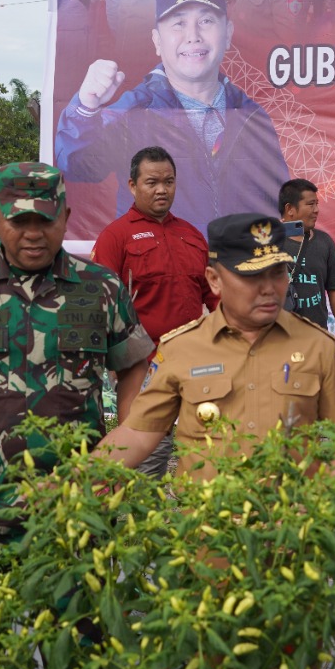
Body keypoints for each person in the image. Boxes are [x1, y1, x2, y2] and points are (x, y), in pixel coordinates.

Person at [0, 163, 154, 541]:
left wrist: (115, 468)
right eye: (19, 222)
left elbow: (134, 368)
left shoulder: (102, 287)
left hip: (79, 500)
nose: (34, 235)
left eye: (46, 220)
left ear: (66, 217)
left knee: (76, 598)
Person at [97, 213, 335, 482]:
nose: (269, 288)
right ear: (214, 280)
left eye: (277, 273)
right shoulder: (181, 349)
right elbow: (137, 434)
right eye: (253, 277)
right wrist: (75, 477)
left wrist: (319, 501)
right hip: (210, 519)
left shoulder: (318, 346)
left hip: (290, 520)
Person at [56, 0, 288, 229]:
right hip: (156, 269)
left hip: (235, 269)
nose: (193, 36)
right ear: (157, 40)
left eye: (206, 21)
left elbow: (278, 206)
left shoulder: (251, 116)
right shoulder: (135, 111)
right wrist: (86, 107)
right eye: (178, 23)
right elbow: (77, 165)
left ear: (228, 33)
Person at [91, 146, 216, 477]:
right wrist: (115, 362)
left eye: (169, 181)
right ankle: (138, 525)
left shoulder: (192, 236)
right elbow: (101, 305)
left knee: (205, 452)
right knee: (143, 461)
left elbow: (215, 298)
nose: (162, 189)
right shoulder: (115, 237)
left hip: (196, 364)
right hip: (143, 368)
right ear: (132, 186)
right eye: (152, 182)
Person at [279, 178, 335, 344]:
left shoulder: (324, 242)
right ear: (290, 209)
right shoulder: (268, 243)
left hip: (317, 339)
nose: (316, 210)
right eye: (311, 204)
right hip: (278, 339)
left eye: (317, 204)